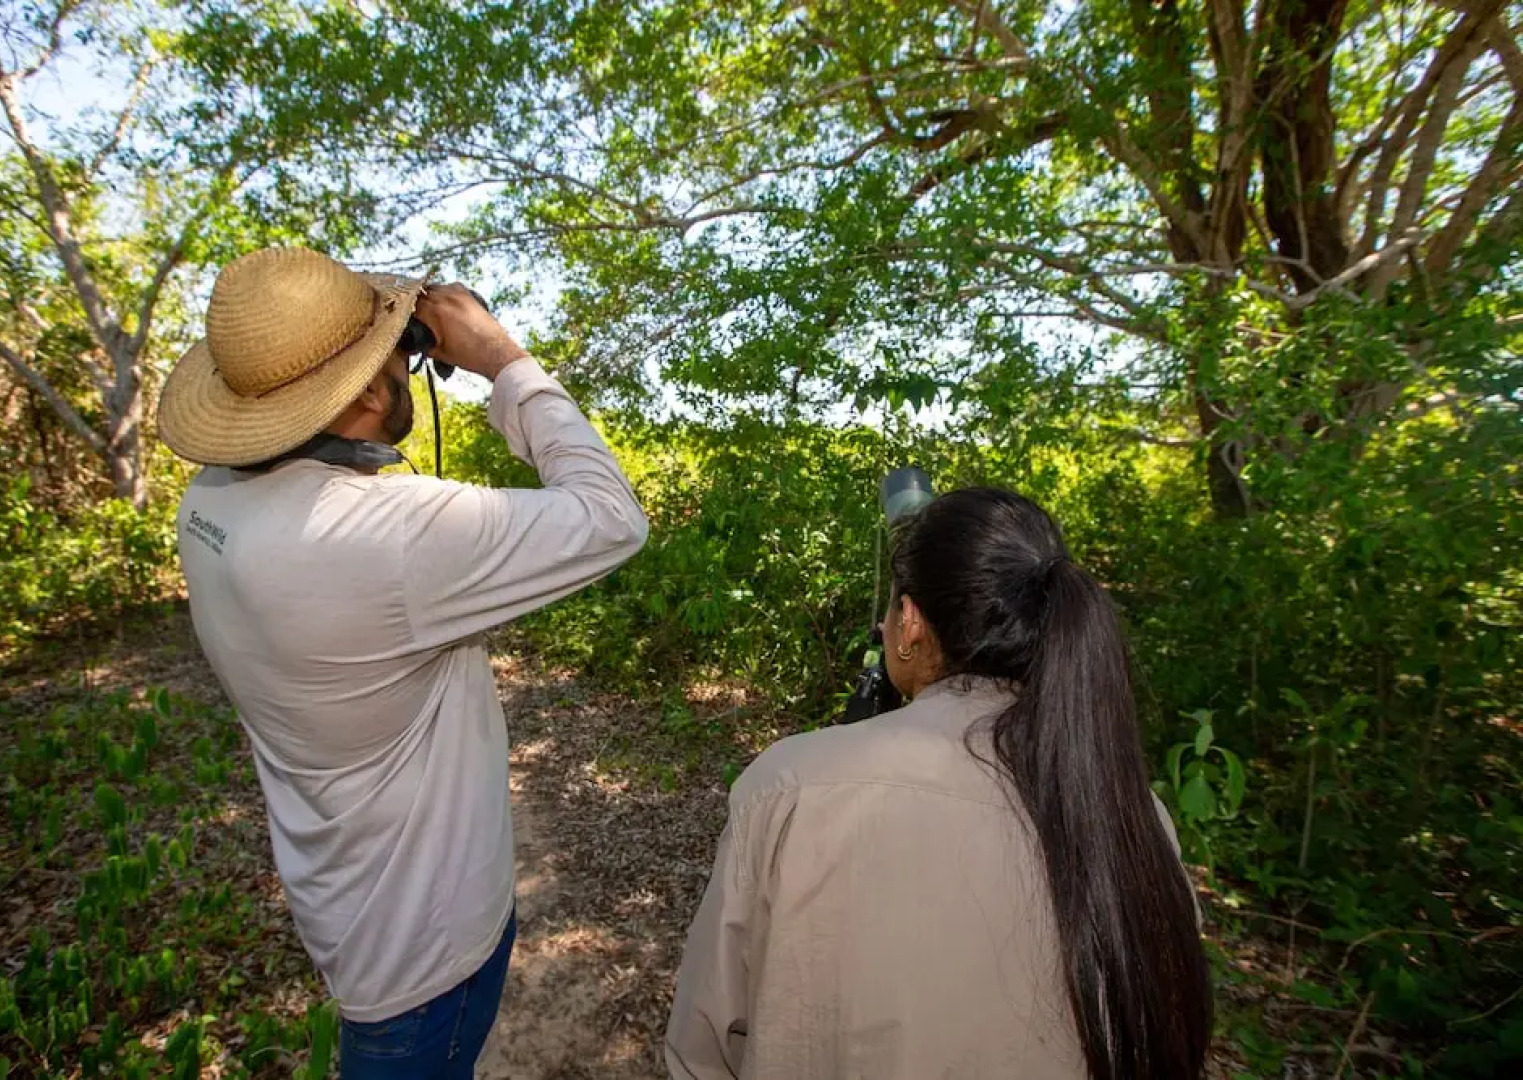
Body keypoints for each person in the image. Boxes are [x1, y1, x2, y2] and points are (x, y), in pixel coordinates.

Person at [157, 246, 648, 1078]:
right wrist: (502, 361)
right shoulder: (386, 534)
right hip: (428, 947)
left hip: (342, 897)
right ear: (370, 393)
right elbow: (611, 518)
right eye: (395, 353)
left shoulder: (209, 501)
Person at [665, 487, 1210, 1079]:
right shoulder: (1135, 816)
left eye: (889, 609)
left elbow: (704, 1046)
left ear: (909, 624)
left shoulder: (791, 788)